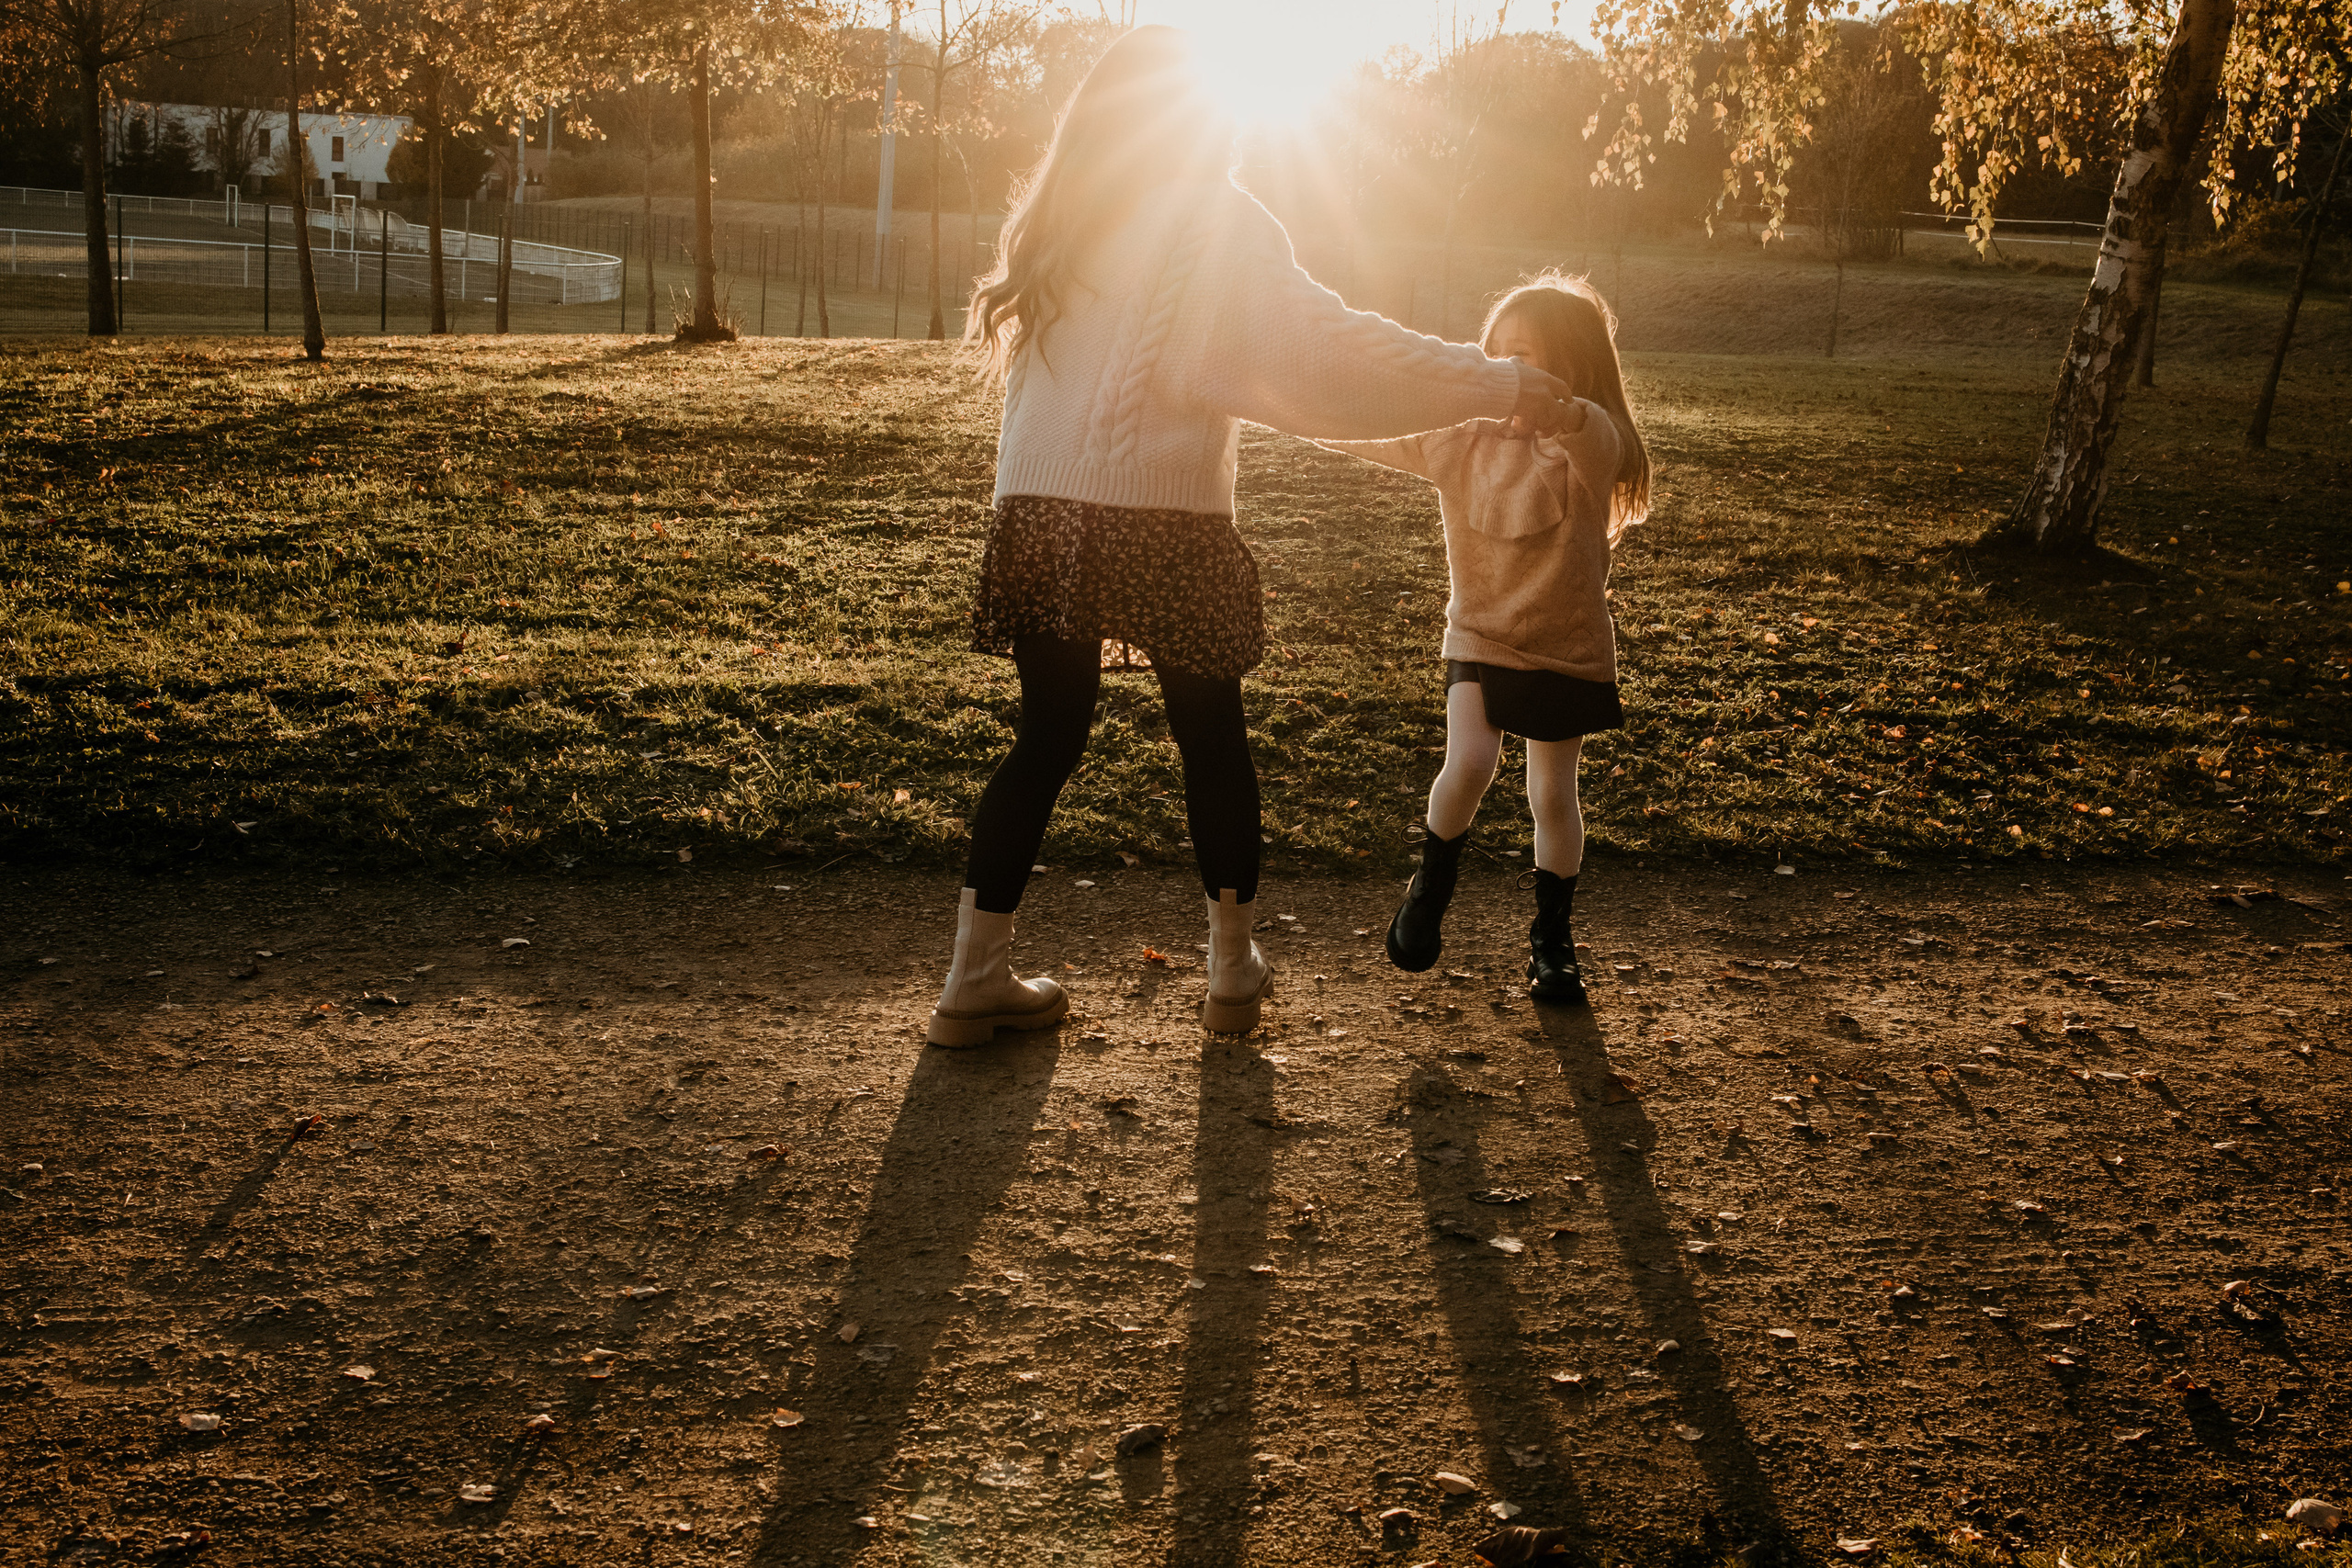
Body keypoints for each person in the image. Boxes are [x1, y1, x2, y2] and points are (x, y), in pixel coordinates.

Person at [925, 27, 1578, 1048]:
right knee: (1210, 739)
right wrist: (1496, 381)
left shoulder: (1058, 218)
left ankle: (973, 976)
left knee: (1046, 738)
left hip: (1038, 512)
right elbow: (1332, 353)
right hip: (1166, 517)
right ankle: (1231, 971)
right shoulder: (1217, 224)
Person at [1318, 273, 1651, 1003]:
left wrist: (1556, 410)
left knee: (1552, 798)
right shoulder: (1459, 442)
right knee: (1469, 760)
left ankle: (1551, 939)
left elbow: (1598, 432)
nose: (1499, 372)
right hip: (1479, 633)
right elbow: (1367, 425)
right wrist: (1284, 403)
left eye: (1520, 357)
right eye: (1490, 355)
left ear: (1571, 369)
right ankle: (1430, 887)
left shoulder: (1589, 448)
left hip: (1565, 645)